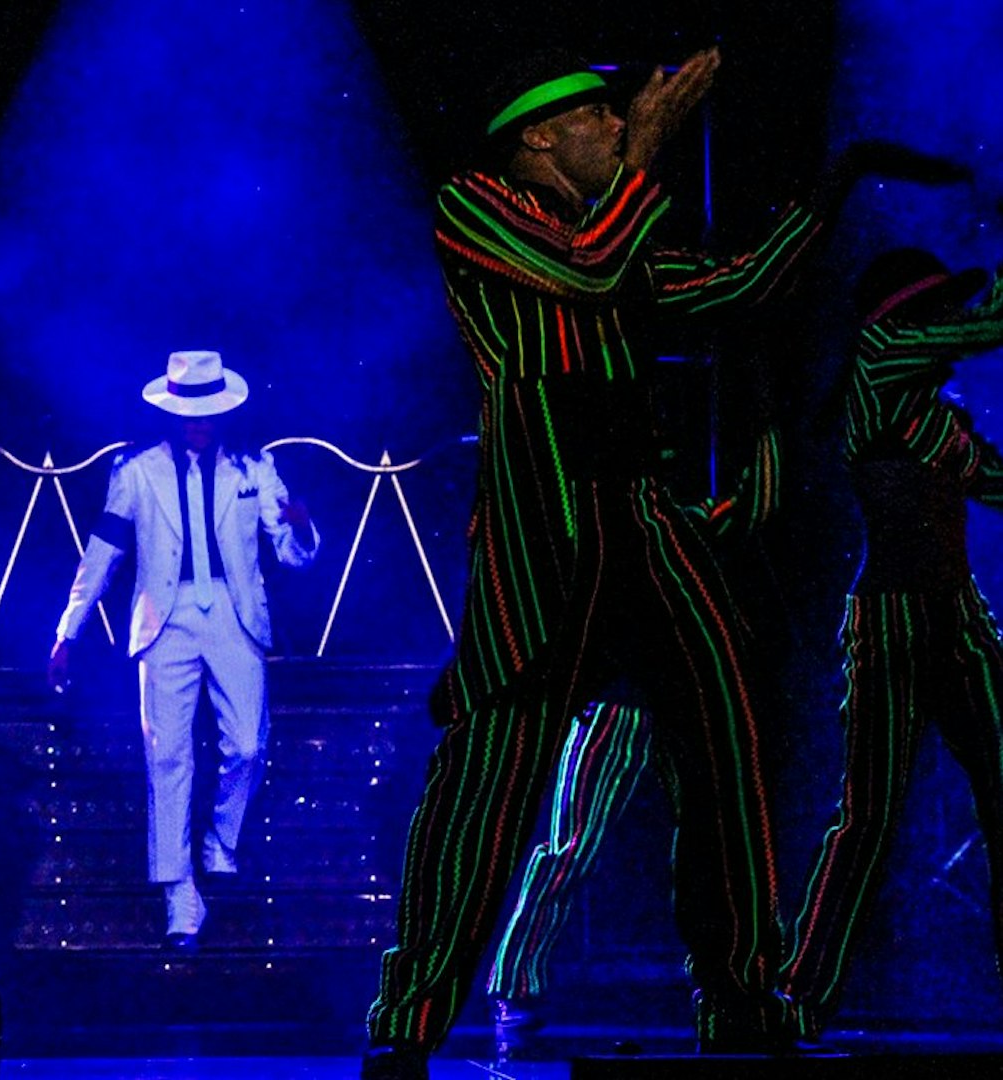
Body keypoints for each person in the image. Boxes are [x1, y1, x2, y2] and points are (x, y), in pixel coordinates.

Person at [360, 45, 843, 1077]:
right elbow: (585, 269)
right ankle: (411, 1016)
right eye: (605, 120)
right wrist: (656, 147)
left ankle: (741, 997)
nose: (625, 129)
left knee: (725, 733)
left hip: (641, 515)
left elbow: (735, 286)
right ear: (541, 134)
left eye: (632, 123)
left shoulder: (620, 227)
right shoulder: (477, 204)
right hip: (545, 527)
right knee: (493, 769)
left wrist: (826, 186)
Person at [488, 423, 782, 1043]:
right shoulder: (595, 532)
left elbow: (750, 508)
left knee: (718, 844)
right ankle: (513, 986)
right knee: (571, 848)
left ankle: (728, 983)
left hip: (680, 704)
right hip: (614, 706)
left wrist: (767, 429)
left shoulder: (682, 527)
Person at [780, 247, 1003, 1041]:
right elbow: (993, 325)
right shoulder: (876, 364)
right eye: (937, 311)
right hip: (889, 620)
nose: (950, 326)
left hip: (955, 615)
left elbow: (993, 481)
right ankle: (801, 992)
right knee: (867, 816)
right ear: (905, 320)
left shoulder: (930, 419)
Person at [47, 350, 319, 947]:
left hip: (233, 612)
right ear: (171, 412)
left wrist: (300, 527)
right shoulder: (137, 472)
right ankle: (180, 898)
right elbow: (103, 556)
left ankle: (221, 838)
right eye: (188, 411)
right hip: (162, 618)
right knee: (166, 755)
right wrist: (68, 631)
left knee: (247, 741)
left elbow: (293, 555)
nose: (199, 421)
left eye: (208, 410)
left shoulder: (255, 468)